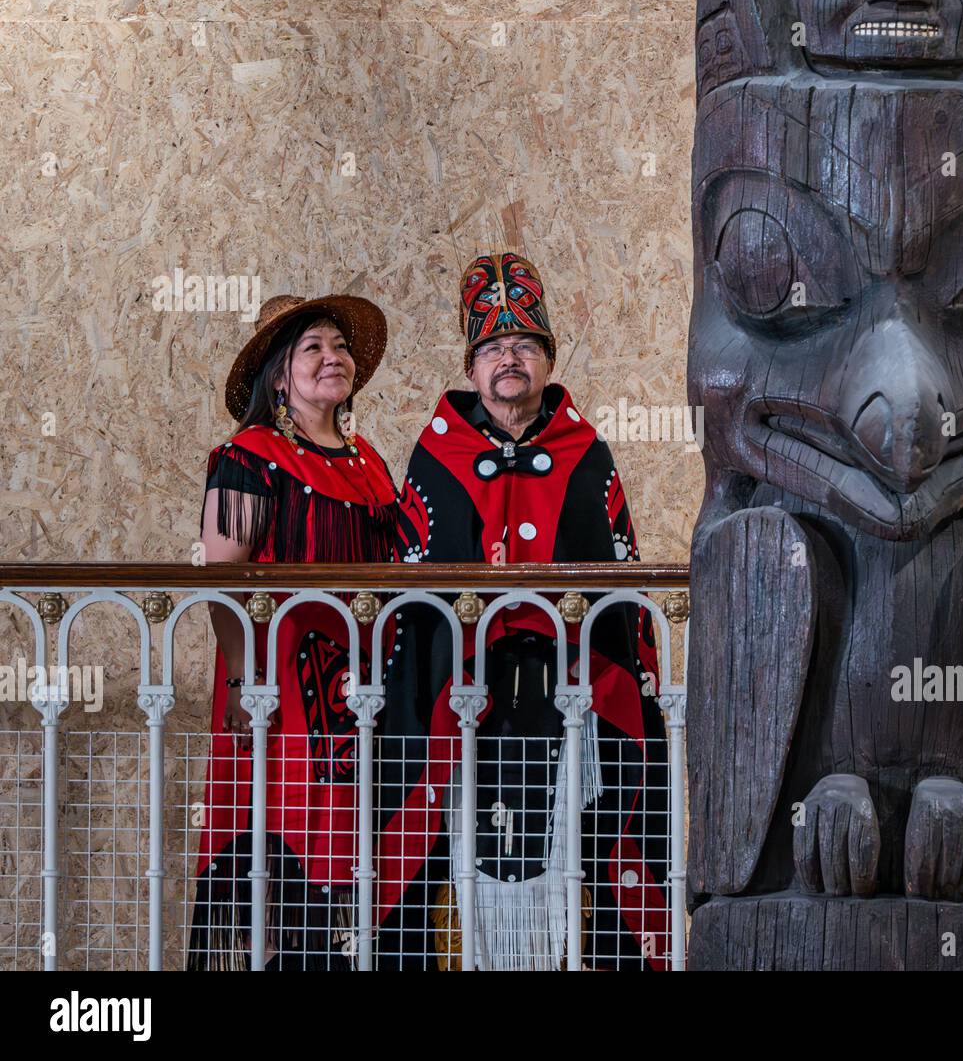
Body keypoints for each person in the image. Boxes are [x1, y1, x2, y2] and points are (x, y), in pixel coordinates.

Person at [379, 252, 670, 970]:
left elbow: (620, 578)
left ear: (546, 357)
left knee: (582, 858)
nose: (509, 360)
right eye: (493, 349)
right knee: (455, 866)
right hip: (463, 704)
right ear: (473, 366)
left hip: (573, 699)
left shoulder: (586, 451)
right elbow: (412, 596)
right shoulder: (435, 455)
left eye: (524, 346)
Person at [187, 293, 403, 970]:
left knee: (351, 857)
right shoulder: (248, 455)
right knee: (280, 860)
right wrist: (245, 676)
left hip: (358, 691)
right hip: (278, 689)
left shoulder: (369, 462)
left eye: (338, 346)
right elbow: (221, 580)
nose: (331, 357)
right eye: (312, 347)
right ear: (280, 375)